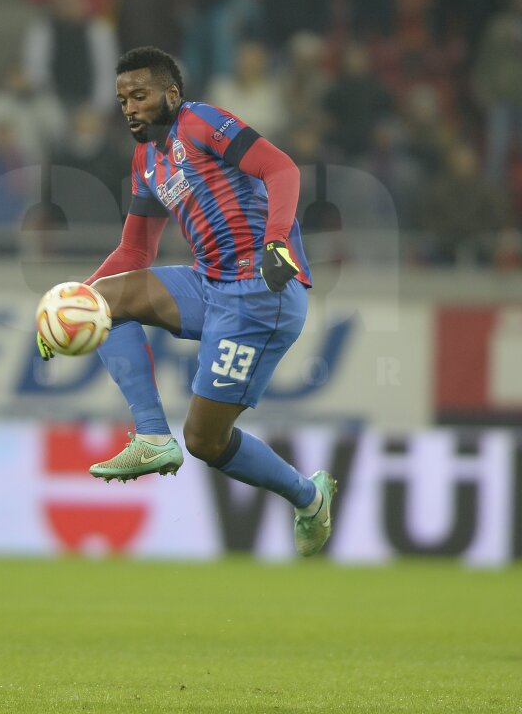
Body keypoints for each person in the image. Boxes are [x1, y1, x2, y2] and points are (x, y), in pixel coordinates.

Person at [36, 47, 337, 557]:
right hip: (211, 284)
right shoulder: (146, 159)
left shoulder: (200, 121)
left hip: (262, 294)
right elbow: (136, 249)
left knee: (205, 441)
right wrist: (67, 305)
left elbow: (281, 169)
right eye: (122, 99)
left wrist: (277, 240)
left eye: (140, 95)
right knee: (105, 301)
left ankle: (309, 498)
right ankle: (152, 436)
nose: (129, 107)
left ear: (171, 94)